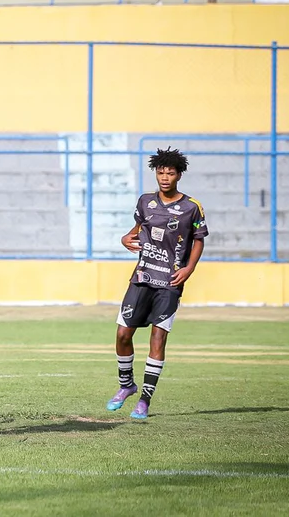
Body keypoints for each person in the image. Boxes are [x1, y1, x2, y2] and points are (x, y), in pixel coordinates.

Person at [106, 147, 208, 420]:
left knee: (157, 338)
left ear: (179, 175)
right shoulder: (145, 201)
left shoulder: (191, 207)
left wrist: (189, 269)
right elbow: (135, 231)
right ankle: (126, 385)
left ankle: (145, 400)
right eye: (161, 172)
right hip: (142, 276)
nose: (165, 177)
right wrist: (124, 239)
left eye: (170, 173)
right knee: (122, 333)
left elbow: (199, 240)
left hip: (170, 282)